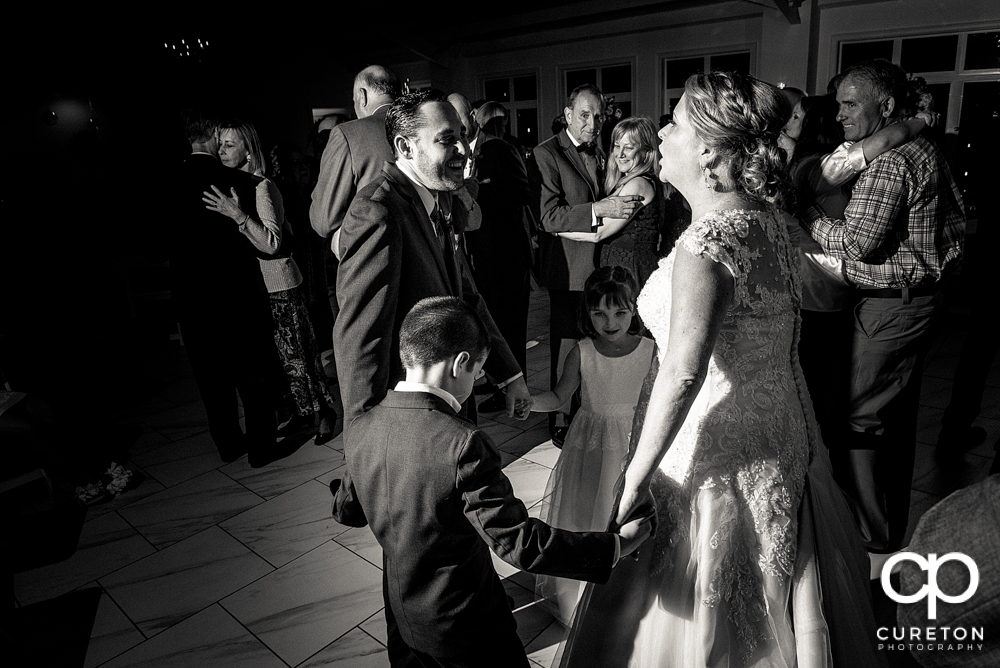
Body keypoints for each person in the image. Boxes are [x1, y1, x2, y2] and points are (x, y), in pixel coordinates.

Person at [557, 71, 886, 668]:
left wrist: (633, 480)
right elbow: (788, 351)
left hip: (712, 458)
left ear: (708, 148)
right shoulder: (771, 225)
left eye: (675, 122)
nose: (661, 131)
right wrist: (809, 446)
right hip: (778, 441)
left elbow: (682, 374)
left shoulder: (706, 245)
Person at [340, 295, 652, 668]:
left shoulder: (362, 426)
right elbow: (519, 543)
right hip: (469, 627)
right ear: (460, 364)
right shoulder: (461, 443)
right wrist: (614, 547)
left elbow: (348, 509)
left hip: (403, 623)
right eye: (478, 371)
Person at [329, 90, 534, 527]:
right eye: (447, 140)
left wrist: (509, 373)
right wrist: (365, 451)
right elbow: (359, 341)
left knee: (456, 534)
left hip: (448, 409)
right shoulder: (377, 212)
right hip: (412, 426)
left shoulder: (433, 199)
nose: (463, 149)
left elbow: (466, 298)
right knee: (421, 550)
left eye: (462, 136)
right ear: (406, 147)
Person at [801, 59, 965, 553]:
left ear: (886, 106)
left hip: (891, 308)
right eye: (838, 104)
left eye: (852, 104)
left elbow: (857, 243)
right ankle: (879, 527)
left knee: (857, 419)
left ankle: (870, 535)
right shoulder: (923, 149)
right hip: (916, 302)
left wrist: (805, 213)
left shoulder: (891, 162)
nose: (841, 113)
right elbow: (954, 230)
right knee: (885, 417)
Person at [788, 93, 938, 446]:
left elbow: (883, 141)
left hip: (817, 288)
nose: (845, 119)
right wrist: (921, 120)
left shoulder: (811, 165)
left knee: (828, 391)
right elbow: (884, 141)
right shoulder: (824, 167)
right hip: (828, 287)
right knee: (834, 394)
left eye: (796, 116)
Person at [531, 266, 655, 625]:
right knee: (587, 515)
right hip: (590, 449)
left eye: (619, 312)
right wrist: (526, 400)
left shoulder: (650, 351)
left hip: (634, 447)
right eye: (599, 313)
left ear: (635, 309)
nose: (610, 321)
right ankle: (583, 599)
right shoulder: (582, 352)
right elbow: (557, 397)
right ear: (587, 313)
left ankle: (629, 596)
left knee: (626, 518)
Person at [204, 120, 338, 444]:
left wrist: (238, 216)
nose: (221, 150)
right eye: (219, 144)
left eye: (229, 145)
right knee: (279, 361)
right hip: (257, 287)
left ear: (248, 151)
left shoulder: (262, 187)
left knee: (300, 356)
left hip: (280, 284)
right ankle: (300, 413)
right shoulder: (238, 184)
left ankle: (324, 413)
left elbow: (274, 243)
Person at [534, 84, 644, 440]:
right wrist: (600, 209)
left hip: (600, 265)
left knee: (593, 343)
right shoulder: (545, 153)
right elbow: (549, 217)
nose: (593, 123)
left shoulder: (601, 154)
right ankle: (560, 420)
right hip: (568, 268)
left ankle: (588, 412)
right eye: (585, 115)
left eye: (598, 116)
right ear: (568, 115)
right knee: (567, 345)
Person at [169, 111, 280, 467]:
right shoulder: (238, 183)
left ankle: (230, 444)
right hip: (236, 294)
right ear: (215, 135)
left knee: (210, 378)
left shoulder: (166, 183)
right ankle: (262, 447)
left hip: (192, 300)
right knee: (251, 373)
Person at [310, 65, 402, 434]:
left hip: (368, 270)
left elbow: (322, 217)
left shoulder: (348, 134)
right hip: (425, 263)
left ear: (362, 96)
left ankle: (367, 473)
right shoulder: (419, 125)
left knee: (366, 372)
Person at [463, 100, 535, 414]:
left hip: (507, 255)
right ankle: (500, 385)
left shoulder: (500, 150)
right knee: (495, 325)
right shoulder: (474, 152)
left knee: (509, 328)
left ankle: (513, 389)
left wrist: (480, 191)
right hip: (487, 256)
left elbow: (522, 192)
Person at [554, 116, 663, 289]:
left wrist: (555, 228)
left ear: (647, 151)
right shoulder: (628, 179)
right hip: (621, 268)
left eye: (628, 147)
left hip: (632, 272)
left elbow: (598, 233)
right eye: (617, 146)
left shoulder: (638, 183)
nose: (620, 154)